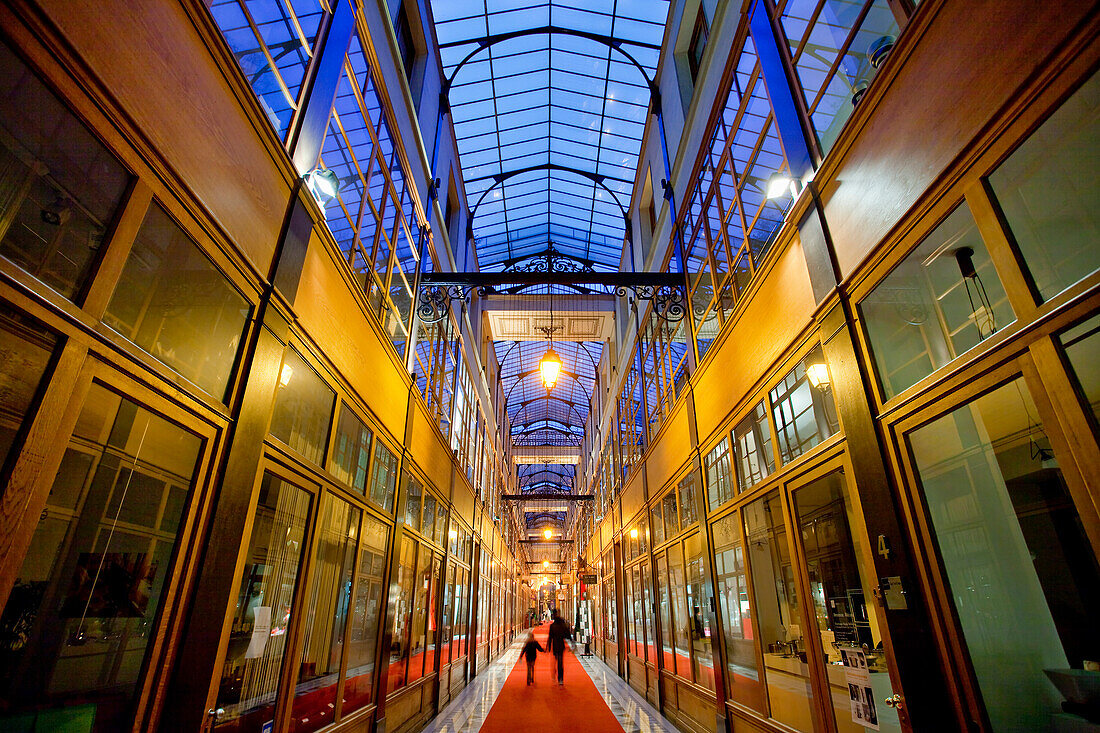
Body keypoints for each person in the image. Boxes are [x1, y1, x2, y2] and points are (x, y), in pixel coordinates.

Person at [547, 611, 573, 685]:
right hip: (561, 646)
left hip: (555, 646)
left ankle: (555, 674)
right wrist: (572, 643)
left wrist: (548, 647)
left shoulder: (552, 626)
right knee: (560, 662)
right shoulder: (562, 626)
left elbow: (550, 637)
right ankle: (560, 678)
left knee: (556, 660)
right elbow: (567, 635)